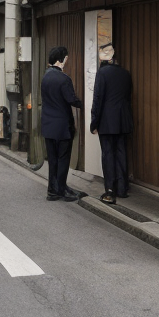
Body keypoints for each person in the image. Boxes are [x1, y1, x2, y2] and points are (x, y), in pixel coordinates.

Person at [90, 43, 134, 205]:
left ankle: (110, 190)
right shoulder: (126, 74)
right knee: (121, 152)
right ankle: (122, 188)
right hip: (123, 119)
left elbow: (98, 100)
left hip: (107, 121)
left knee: (108, 154)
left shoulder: (102, 73)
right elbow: (128, 98)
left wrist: (93, 123)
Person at [41, 46, 83, 202]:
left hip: (48, 125)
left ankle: (53, 190)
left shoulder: (45, 77)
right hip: (62, 126)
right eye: (66, 58)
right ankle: (62, 189)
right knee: (63, 158)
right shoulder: (64, 79)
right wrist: (82, 103)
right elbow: (71, 99)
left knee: (52, 159)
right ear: (61, 60)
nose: (67, 60)